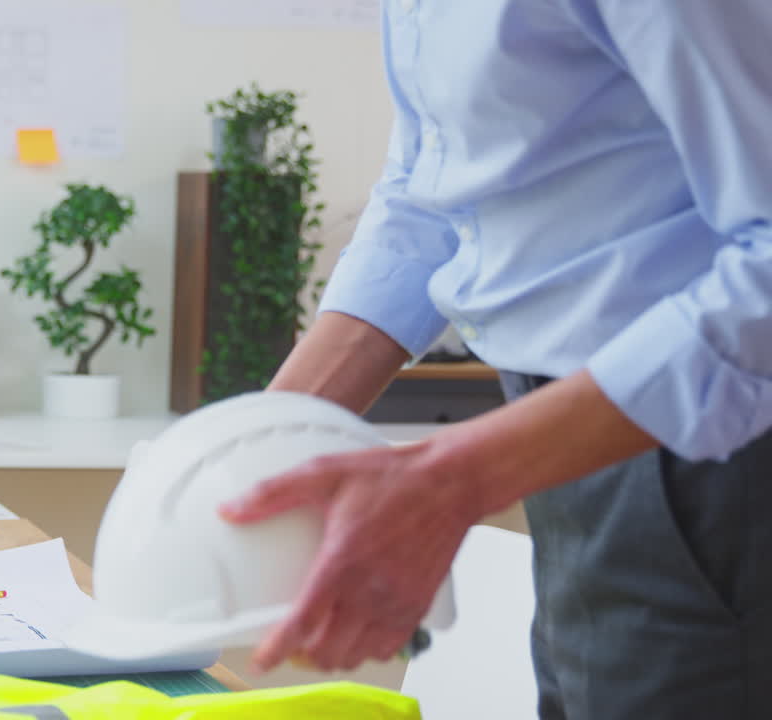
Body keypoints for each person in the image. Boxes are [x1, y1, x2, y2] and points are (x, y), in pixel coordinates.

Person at [217, 3, 772, 719]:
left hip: (702, 449)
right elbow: (432, 201)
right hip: (568, 436)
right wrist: (254, 444)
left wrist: (454, 480)